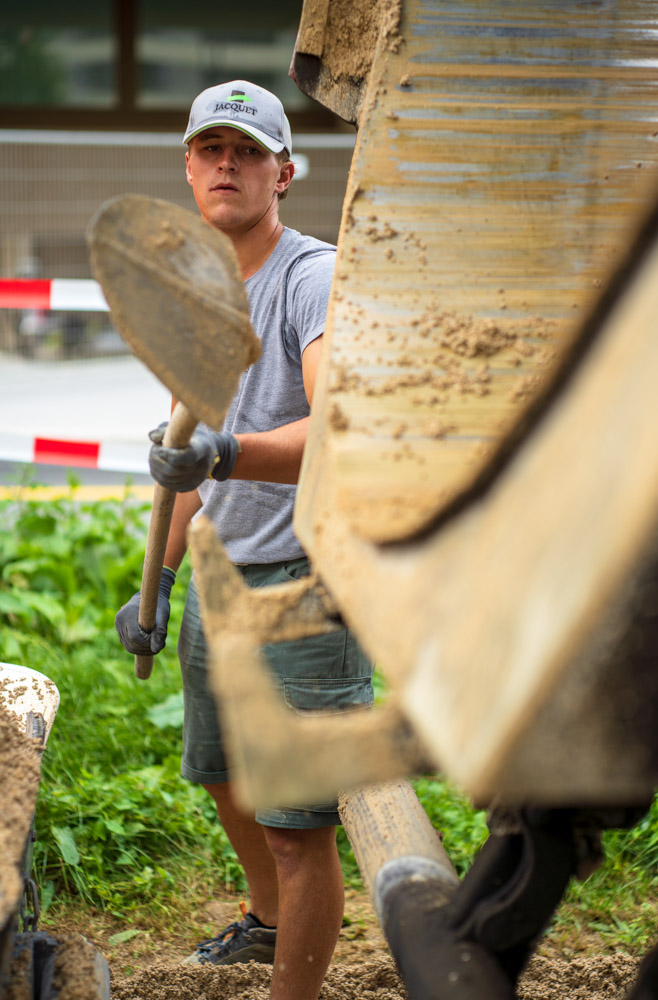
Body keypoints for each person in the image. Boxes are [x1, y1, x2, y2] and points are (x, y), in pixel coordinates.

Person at [114, 80, 373, 1000]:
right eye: (210, 150)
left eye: (248, 152)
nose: (227, 165)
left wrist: (226, 454)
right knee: (224, 776)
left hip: (302, 579)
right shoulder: (195, 285)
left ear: (283, 173)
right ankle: (266, 926)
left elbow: (335, 428)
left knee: (297, 823)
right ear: (188, 168)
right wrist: (158, 582)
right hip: (218, 574)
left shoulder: (311, 277)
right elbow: (181, 450)